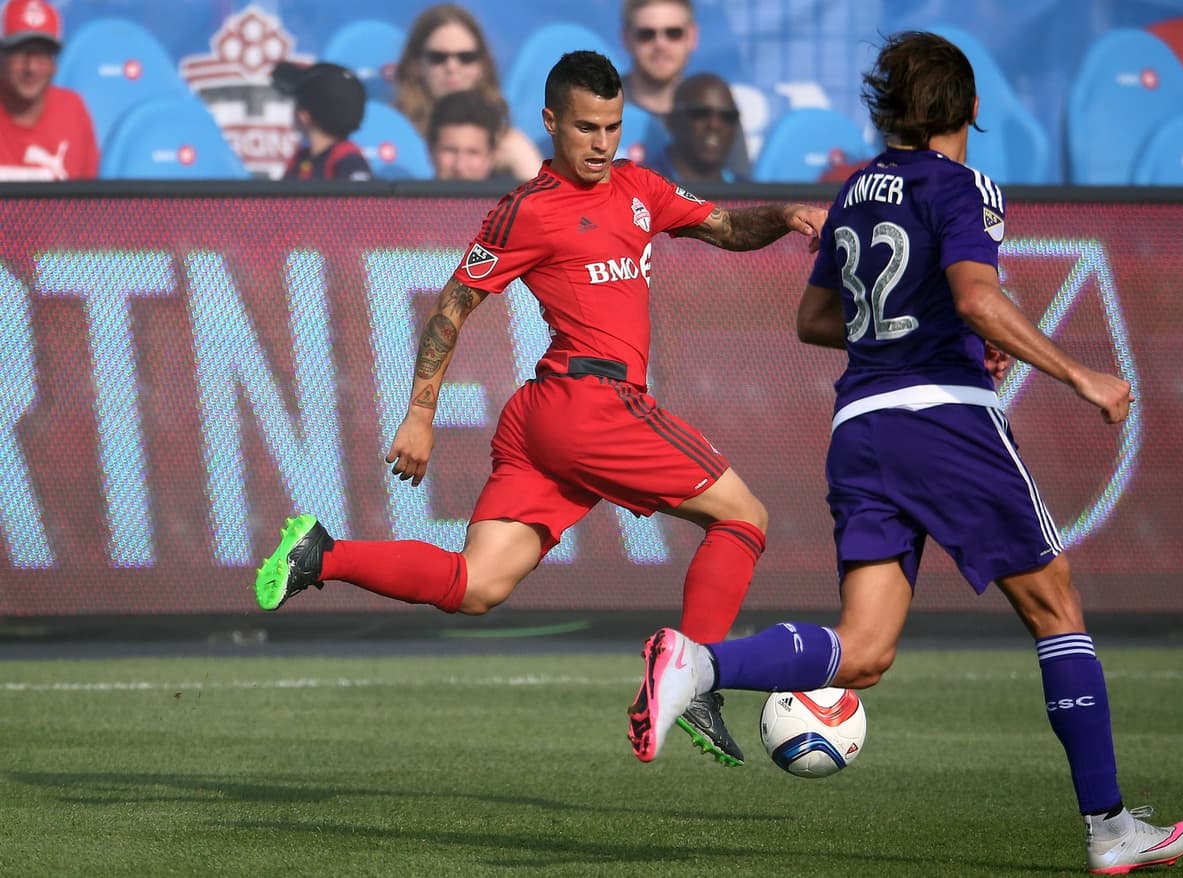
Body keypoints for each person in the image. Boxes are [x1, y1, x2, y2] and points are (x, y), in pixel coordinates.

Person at [627, 31, 1183, 875]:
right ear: (970, 107)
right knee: (1055, 608)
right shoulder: (966, 185)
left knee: (865, 652)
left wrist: (941, 327)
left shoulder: (856, 189)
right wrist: (1081, 375)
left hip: (862, 428)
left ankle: (697, 661)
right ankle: (1111, 827)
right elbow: (976, 295)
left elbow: (816, 322)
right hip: (945, 420)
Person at [255, 50, 826, 769]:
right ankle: (696, 676)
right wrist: (420, 414)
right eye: (586, 127)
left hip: (544, 422)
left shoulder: (641, 187)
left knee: (477, 586)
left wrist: (783, 214)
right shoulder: (527, 209)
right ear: (551, 120)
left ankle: (321, 555)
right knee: (745, 516)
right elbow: (453, 308)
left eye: (613, 127)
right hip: (593, 403)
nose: (600, 143)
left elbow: (725, 229)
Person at [392, 4, 542, 182]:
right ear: (415, 64)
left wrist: (522, 161)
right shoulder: (393, 132)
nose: (452, 67)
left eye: (466, 57)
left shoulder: (508, 142)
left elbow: (549, 206)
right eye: (438, 57)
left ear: (482, 66)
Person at [0, 0, 98, 181]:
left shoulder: (73, 111)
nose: (31, 67)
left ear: (55, 64)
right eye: (20, 52)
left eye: (42, 54)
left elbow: (88, 202)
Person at [271, 61, 373, 181]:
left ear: (304, 116)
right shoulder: (301, 159)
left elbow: (359, 198)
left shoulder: (347, 158)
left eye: (297, 104)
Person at [646, 72, 747, 184]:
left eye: (728, 116)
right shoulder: (639, 188)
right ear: (672, 121)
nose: (715, 124)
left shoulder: (750, 197)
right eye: (700, 113)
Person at [619, 0, 698, 125]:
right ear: (626, 39)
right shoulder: (595, 108)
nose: (660, 44)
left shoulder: (717, 117)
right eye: (646, 34)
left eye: (673, 33)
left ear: (692, 37)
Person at [426, 89, 510, 182]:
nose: (460, 167)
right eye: (450, 151)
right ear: (430, 151)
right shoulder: (408, 195)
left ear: (492, 157)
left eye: (473, 153)